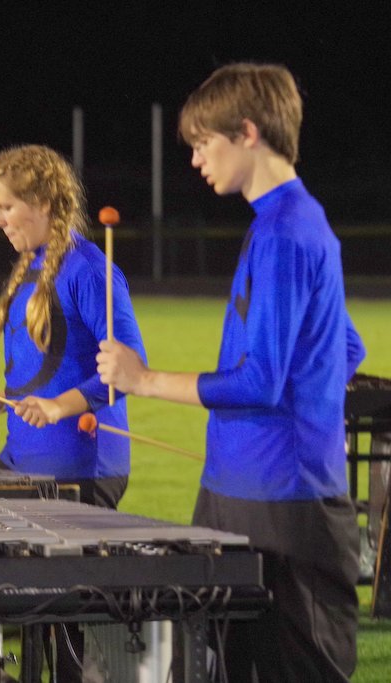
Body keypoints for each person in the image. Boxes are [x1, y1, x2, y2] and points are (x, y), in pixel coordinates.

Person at [97, 63, 365, 681]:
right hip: (237, 491)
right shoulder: (278, 223)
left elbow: (259, 381)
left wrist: (143, 380)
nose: (195, 159)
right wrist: (319, 416)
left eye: (203, 143)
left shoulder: (288, 231)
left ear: (247, 132)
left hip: (284, 504)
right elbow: (345, 346)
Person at [0, 144, 145, 682]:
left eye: (6, 207)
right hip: (24, 460)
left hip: (80, 468)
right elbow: (41, 371)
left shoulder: (88, 269)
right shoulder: (31, 267)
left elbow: (128, 367)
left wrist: (60, 406)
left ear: (43, 203)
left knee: (64, 631)